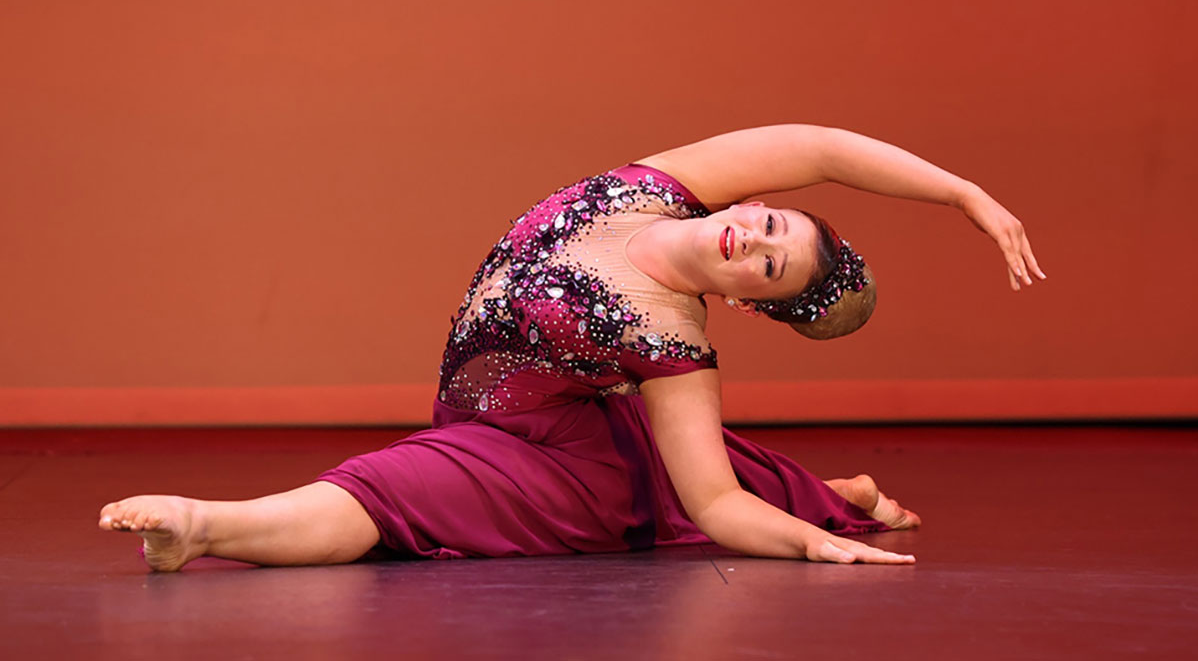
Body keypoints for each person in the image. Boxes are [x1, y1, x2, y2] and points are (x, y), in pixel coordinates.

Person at [97, 124, 1045, 571]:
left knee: (389, 494)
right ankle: (835, 492)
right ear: (752, 202)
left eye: (765, 268)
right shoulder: (657, 188)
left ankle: (203, 524)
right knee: (697, 479)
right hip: (528, 420)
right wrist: (964, 192)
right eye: (769, 226)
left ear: (746, 304)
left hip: (530, 449)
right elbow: (824, 146)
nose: (749, 240)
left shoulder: (671, 337)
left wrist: (809, 552)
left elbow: (713, 504)